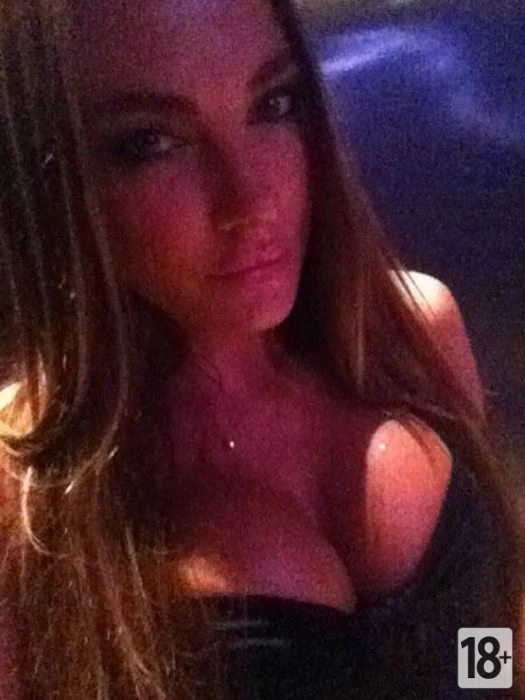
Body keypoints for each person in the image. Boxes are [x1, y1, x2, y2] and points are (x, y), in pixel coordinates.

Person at [0, 0, 523, 698]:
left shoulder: (412, 331)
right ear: (53, 179)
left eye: (272, 104)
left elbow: (487, 620)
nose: (251, 201)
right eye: (151, 142)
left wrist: (490, 685)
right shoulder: (24, 491)